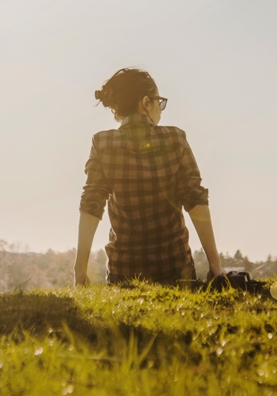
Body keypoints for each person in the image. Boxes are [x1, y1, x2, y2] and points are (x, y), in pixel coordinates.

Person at [74, 68, 222, 287]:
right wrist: (215, 266)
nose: (160, 111)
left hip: (123, 273)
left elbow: (91, 204)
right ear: (145, 102)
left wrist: (80, 269)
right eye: (159, 103)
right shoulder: (175, 139)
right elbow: (196, 200)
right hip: (176, 269)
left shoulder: (102, 143)